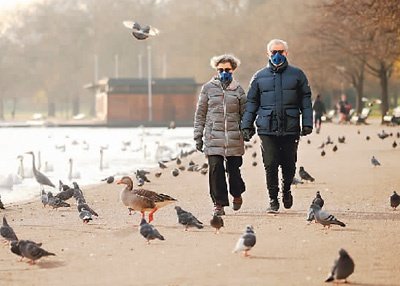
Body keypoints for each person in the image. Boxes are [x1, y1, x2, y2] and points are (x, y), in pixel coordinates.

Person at [241, 39, 313, 213]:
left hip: (290, 126)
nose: (277, 55)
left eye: (281, 51)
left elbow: (306, 101)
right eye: (274, 52)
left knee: (289, 164)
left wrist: (307, 123)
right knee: (270, 163)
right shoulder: (259, 77)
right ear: (268, 54)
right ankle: (273, 199)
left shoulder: (297, 75)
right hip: (267, 127)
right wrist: (246, 125)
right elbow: (251, 103)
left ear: (286, 53)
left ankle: (286, 190)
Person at [194, 54, 246, 216]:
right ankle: (219, 203)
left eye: (227, 69)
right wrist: (198, 136)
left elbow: (245, 114)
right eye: (221, 69)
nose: (224, 72)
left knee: (234, 171)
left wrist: (247, 130)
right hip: (213, 137)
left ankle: (237, 193)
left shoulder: (238, 90)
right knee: (215, 169)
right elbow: (200, 113)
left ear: (233, 70)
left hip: (233, 137)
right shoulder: (208, 88)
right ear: (216, 70)